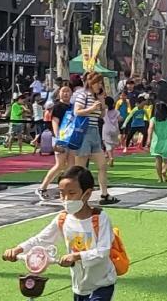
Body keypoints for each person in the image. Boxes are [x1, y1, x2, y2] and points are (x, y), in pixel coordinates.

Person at [3, 167, 118, 301]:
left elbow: (103, 252)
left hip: (101, 283)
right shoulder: (63, 219)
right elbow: (41, 239)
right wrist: (17, 249)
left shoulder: (99, 218)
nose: (65, 199)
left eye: (71, 193)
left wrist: (76, 256)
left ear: (87, 193)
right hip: (79, 285)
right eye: (61, 193)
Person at [71, 73, 119, 205]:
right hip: (84, 132)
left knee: (102, 164)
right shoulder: (83, 95)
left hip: (95, 132)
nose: (100, 85)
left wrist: (102, 105)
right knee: (80, 168)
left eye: (101, 83)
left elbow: (101, 115)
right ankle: (75, 194)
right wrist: (92, 108)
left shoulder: (98, 96)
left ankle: (104, 194)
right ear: (91, 83)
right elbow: (77, 111)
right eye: (98, 83)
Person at [37, 85, 75, 202]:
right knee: (59, 165)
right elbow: (55, 122)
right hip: (60, 138)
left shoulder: (73, 107)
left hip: (71, 138)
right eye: (63, 91)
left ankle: (68, 189)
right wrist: (58, 137)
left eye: (68, 91)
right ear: (59, 94)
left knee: (71, 166)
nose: (66, 94)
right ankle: (42, 187)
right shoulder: (58, 107)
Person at [150, 101, 167, 183]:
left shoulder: (153, 120)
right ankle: (164, 171)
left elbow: (150, 129)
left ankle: (160, 178)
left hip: (156, 142)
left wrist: (148, 139)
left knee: (158, 160)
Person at [102, 96, 121, 166]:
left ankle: (110, 157)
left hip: (106, 128)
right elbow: (120, 119)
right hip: (115, 129)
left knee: (107, 143)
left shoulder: (104, 111)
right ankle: (108, 154)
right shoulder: (116, 111)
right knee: (112, 143)